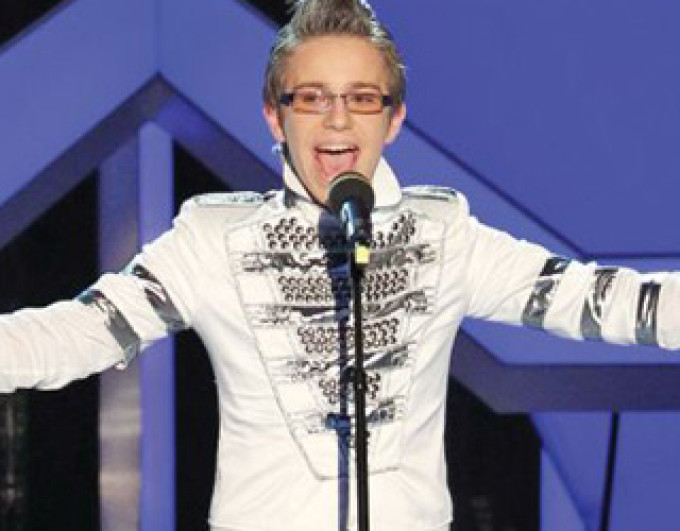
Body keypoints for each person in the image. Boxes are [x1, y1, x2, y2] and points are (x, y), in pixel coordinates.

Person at [1, 1, 679, 530]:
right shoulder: (213, 240)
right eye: (312, 97)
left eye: (361, 98)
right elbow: (82, 331)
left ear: (393, 118)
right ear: (276, 117)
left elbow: (599, 300)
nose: (336, 120)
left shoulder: (443, 234)